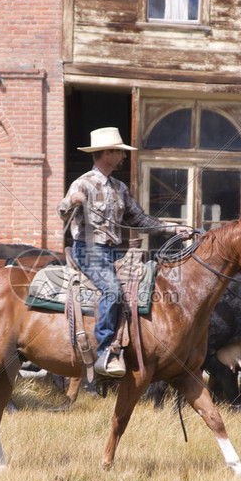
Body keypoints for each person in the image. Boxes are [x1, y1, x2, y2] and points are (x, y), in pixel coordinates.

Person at [58, 127, 178, 378]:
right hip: (88, 250)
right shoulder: (82, 183)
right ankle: (105, 352)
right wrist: (72, 202)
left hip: (113, 252)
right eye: (120, 152)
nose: (124, 157)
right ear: (107, 154)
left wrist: (173, 229)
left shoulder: (120, 187)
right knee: (112, 289)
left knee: (148, 284)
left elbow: (139, 219)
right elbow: (62, 212)